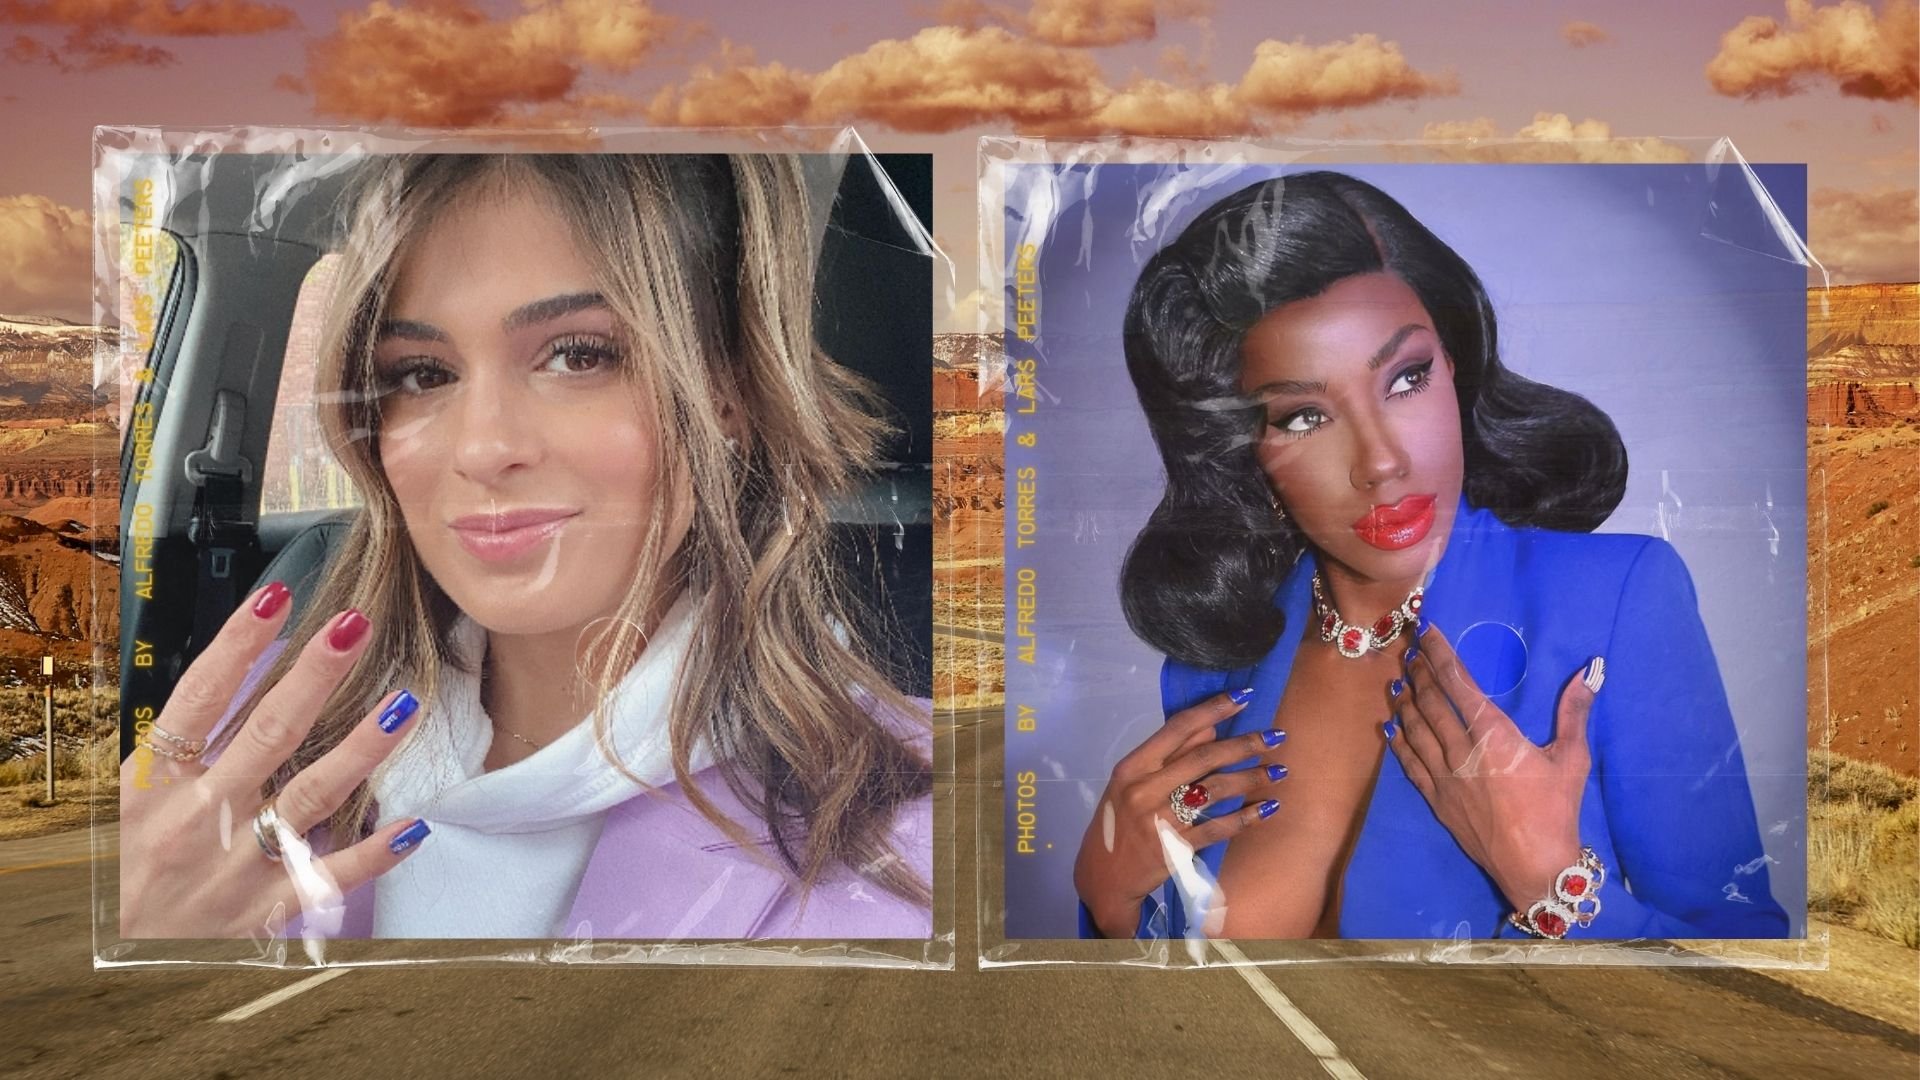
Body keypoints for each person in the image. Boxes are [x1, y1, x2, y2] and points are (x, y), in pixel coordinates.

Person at [120, 154, 933, 940]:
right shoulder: (252, 727)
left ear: (727, 392)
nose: (481, 448)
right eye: (423, 374)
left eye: (579, 355)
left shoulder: (920, 822)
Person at [1074, 171, 1789, 941]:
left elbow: (1747, 971)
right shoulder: (1217, 669)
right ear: (1244, 451)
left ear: (1455, 364)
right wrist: (1112, 905)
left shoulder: (1615, 603)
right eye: (1305, 416)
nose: (1380, 461)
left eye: (1405, 377)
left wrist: (1553, 887)